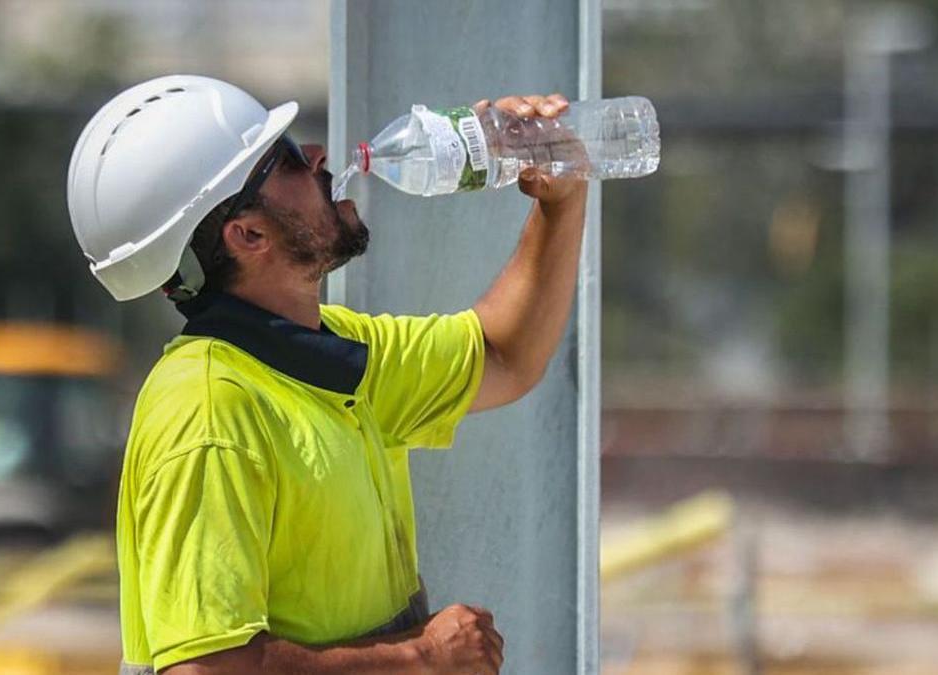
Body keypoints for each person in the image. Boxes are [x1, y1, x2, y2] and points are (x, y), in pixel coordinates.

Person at [67, 75, 587, 675]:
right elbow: (204, 669)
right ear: (248, 234)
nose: (317, 155)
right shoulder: (209, 410)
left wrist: (559, 199)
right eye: (285, 159)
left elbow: (504, 354)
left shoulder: (330, 355)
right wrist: (422, 656)